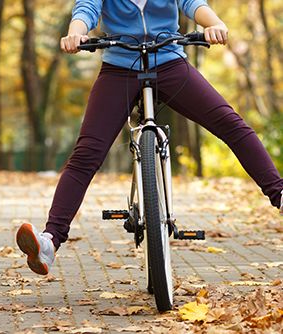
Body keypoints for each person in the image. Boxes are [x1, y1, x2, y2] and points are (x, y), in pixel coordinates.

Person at [16, 0, 283, 275]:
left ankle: (279, 194)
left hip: (169, 64)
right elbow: (87, 8)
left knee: (231, 124)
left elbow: (191, 3)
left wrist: (213, 23)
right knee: (86, 153)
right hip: (119, 68)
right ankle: (50, 241)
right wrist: (76, 31)